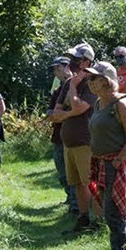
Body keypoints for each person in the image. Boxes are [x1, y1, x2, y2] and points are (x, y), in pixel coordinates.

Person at [85, 61, 126, 250]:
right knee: (109, 210)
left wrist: (117, 160)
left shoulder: (121, 103)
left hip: (116, 165)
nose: (89, 82)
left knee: (114, 210)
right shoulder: (99, 103)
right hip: (102, 164)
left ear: (106, 81)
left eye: (94, 79)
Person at [48, 43, 98, 231]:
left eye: (77, 59)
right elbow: (55, 112)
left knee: (89, 183)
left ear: (87, 61)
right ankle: (83, 218)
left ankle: (96, 220)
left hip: (86, 141)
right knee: (77, 184)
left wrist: (69, 108)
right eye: (72, 59)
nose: (73, 63)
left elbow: (79, 107)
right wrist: (69, 112)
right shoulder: (68, 83)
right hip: (68, 141)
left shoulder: (92, 82)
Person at [46, 56, 78, 214]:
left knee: (73, 173)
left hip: (74, 135)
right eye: (55, 69)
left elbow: (77, 111)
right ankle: (70, 199)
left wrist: (62, 114)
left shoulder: (78, 86)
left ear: (67, 67)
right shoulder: (58, 89)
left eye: (58, 68)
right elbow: (50, 112)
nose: (55, 72)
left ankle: (76, 206)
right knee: (62, 170)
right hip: (59, 135)